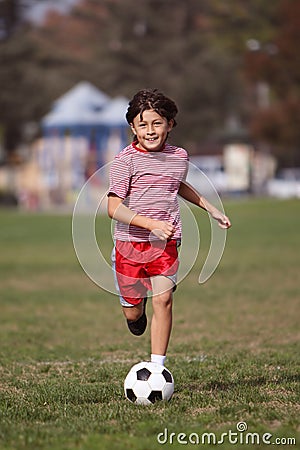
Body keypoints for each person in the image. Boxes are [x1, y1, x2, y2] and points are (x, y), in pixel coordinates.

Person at [107, 89, 231, 367]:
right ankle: (136, 315)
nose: (150, 131)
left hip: (166, 243)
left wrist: (210, 208)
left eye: (157, 123)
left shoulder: (179, 157)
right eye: (143, 124)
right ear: (133, 128)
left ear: (170, 124)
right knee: (133, 313)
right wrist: (150, 224)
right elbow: (113, 208)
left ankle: (157, 368)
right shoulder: (124, 161)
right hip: (129, 245)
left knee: (163, 301)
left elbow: (176, 185)